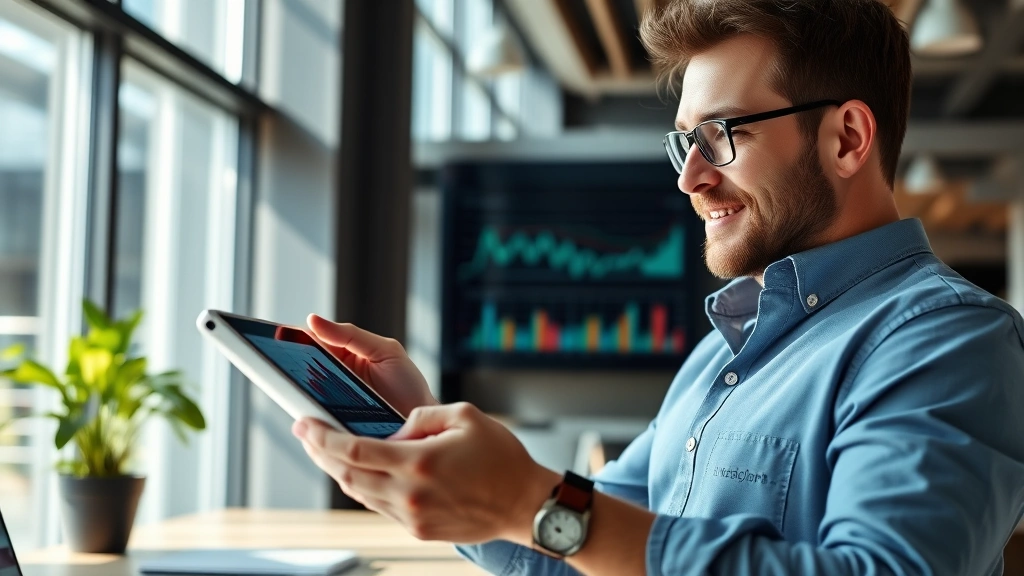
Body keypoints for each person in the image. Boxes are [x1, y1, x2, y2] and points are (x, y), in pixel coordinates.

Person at [291, 0, 1024, 574]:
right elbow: (581, 540)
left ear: (847, 139)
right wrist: (423, 427)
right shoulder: (723, 355)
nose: (691, 177)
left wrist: (528, 499)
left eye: (723, 134)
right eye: (685, 140)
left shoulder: (948, 340)